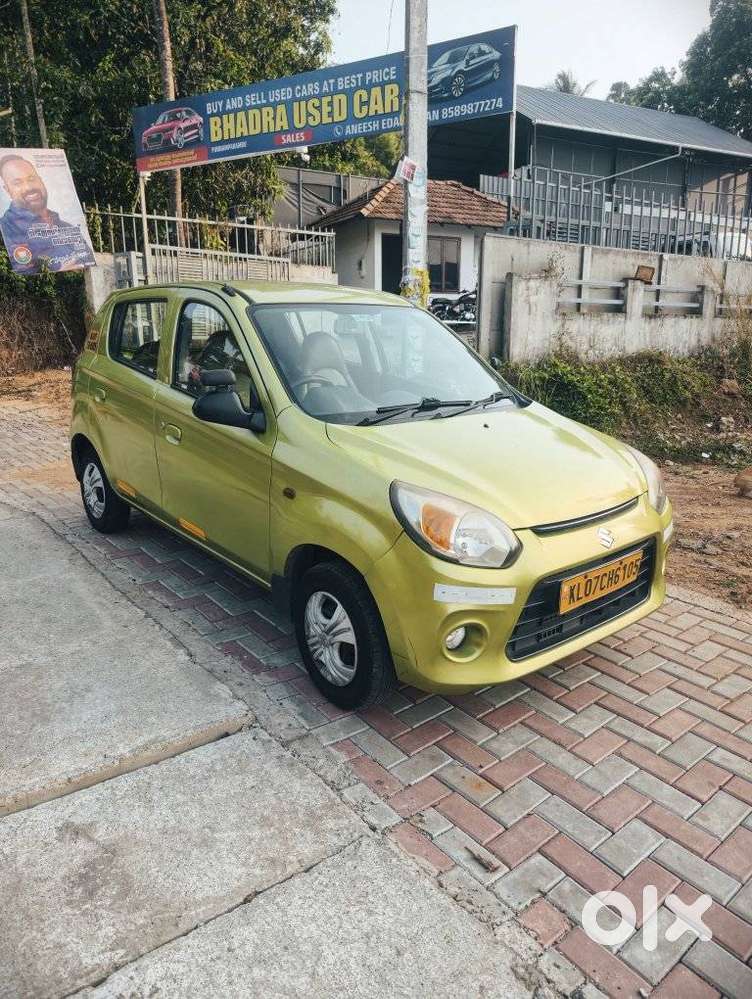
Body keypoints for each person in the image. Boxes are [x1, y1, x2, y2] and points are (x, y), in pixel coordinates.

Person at [0, 154, 95, 273]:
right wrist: (59, 273)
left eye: (31, 179)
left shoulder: (65, 226)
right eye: (17, 183)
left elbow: (88, 259)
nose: (28, 187)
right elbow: (20, 273)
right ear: (8, 190)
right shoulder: (7, 228)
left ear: (40, 180)